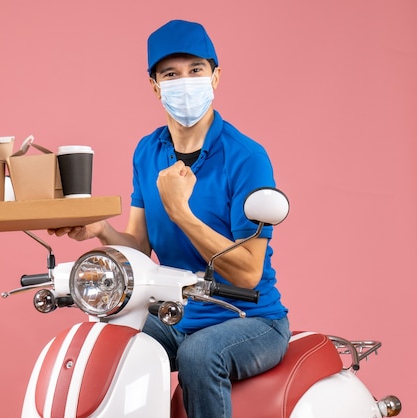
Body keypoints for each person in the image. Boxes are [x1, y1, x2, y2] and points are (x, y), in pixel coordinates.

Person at [48, 19, 290, 418]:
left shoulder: (247, 157)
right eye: (171, 74)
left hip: (250, 319)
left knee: (199, 353)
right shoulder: (148, 152)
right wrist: (102, 231)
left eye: (196, 70)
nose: (186, 81)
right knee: (107, 336)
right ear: (155, 85)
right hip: (176, 313)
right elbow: (141, 248)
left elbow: (247, 273)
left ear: (215, 76)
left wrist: (181, 212)